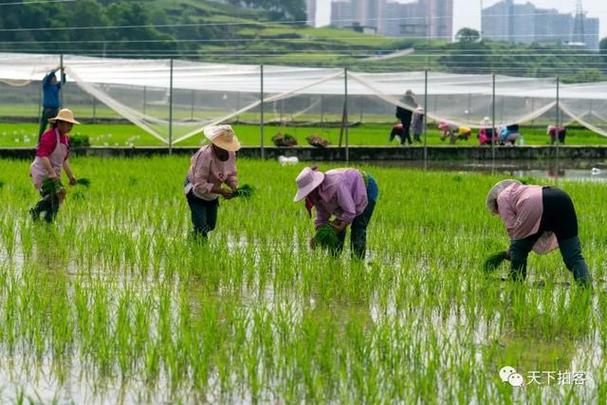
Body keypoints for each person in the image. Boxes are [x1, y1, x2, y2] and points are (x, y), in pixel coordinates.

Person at [486, 179, 592, 287]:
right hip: (562, 199)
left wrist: (513, 249)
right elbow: (535, 228)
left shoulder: (501, 197)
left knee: (519, 250)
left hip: (535, 204)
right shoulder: (525, 190)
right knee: (574, 256)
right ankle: (587, 288)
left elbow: (513, 228)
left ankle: (515, 286)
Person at [293, 166, 378, 260]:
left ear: (315, 186)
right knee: (335, 228)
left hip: (366, 187)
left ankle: (357, 262)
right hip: (347, 196)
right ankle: (334, 260)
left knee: (358, 227)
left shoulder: (336, 185)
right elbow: (322, 218)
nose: (307, 196)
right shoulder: (316, 195)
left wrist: (343, 223)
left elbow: (350, 211)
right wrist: (318, 237)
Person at [184, 125, 240, 240]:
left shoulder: (231, 154)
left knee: (210, 225)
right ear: (215, 143)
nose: (225, 149)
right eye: (222, 146)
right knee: (201, 229)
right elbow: (199, 183)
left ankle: (192, 238)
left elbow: (230, 174)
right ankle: (199, 250)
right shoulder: (205, 155)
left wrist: (234, 186)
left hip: (212, 193)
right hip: (195, 191)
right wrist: (221, 191)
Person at [29, 108, 79, 223]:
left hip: (52, 174)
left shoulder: (66, 139)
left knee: (59, 195)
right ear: (60, 123)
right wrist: (51, 173)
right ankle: (42, 216)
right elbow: (43, 156)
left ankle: (45, 217)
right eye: (68, 124)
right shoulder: (49, 136)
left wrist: (71, 176)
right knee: (56, 194)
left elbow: (64, 160)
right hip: (42, 171)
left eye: (72, 124)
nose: (70, 127)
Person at [38, 68, 66, 141]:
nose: (55, 79)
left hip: (55, 110)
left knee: (56, 127)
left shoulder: (56, 87)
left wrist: (63, 73)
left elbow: (63, 82)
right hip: (48, 109)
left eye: (55, 78)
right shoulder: (46, 86)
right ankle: (39, 142)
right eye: (53, 78)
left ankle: (54, 141)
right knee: (43, 126)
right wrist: (55, 70)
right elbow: (49, 76)